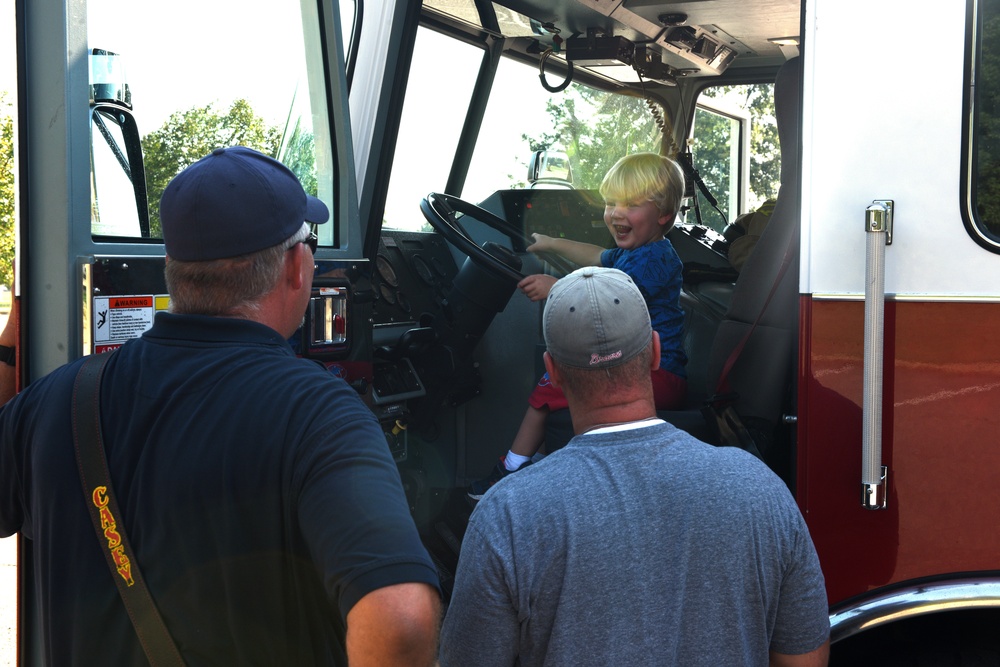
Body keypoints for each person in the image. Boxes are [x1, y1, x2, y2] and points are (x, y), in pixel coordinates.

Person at [0, 146, 441, 665]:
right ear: (298, 266)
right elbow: (401, 618)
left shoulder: (58, 401)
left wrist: (14, 331)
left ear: (172, 268)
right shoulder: (320, 415)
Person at [441, 266, 830, 667]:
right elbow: (806, 659)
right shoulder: (760, 489)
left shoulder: (506, 515)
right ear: (656, 353)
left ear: (552, 372)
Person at [469, 152, 688, 500]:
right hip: (635, 367)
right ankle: (538, 461)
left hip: (657, 373)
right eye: (610, 202)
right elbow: (595, 256)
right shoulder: (635, 251)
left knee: (549, 385)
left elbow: (610, 296)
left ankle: (511, 468)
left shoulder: (656, 258)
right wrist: (553, 243)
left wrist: (553, 287)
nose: (616, 212)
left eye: (630, 204)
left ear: (663, 214)